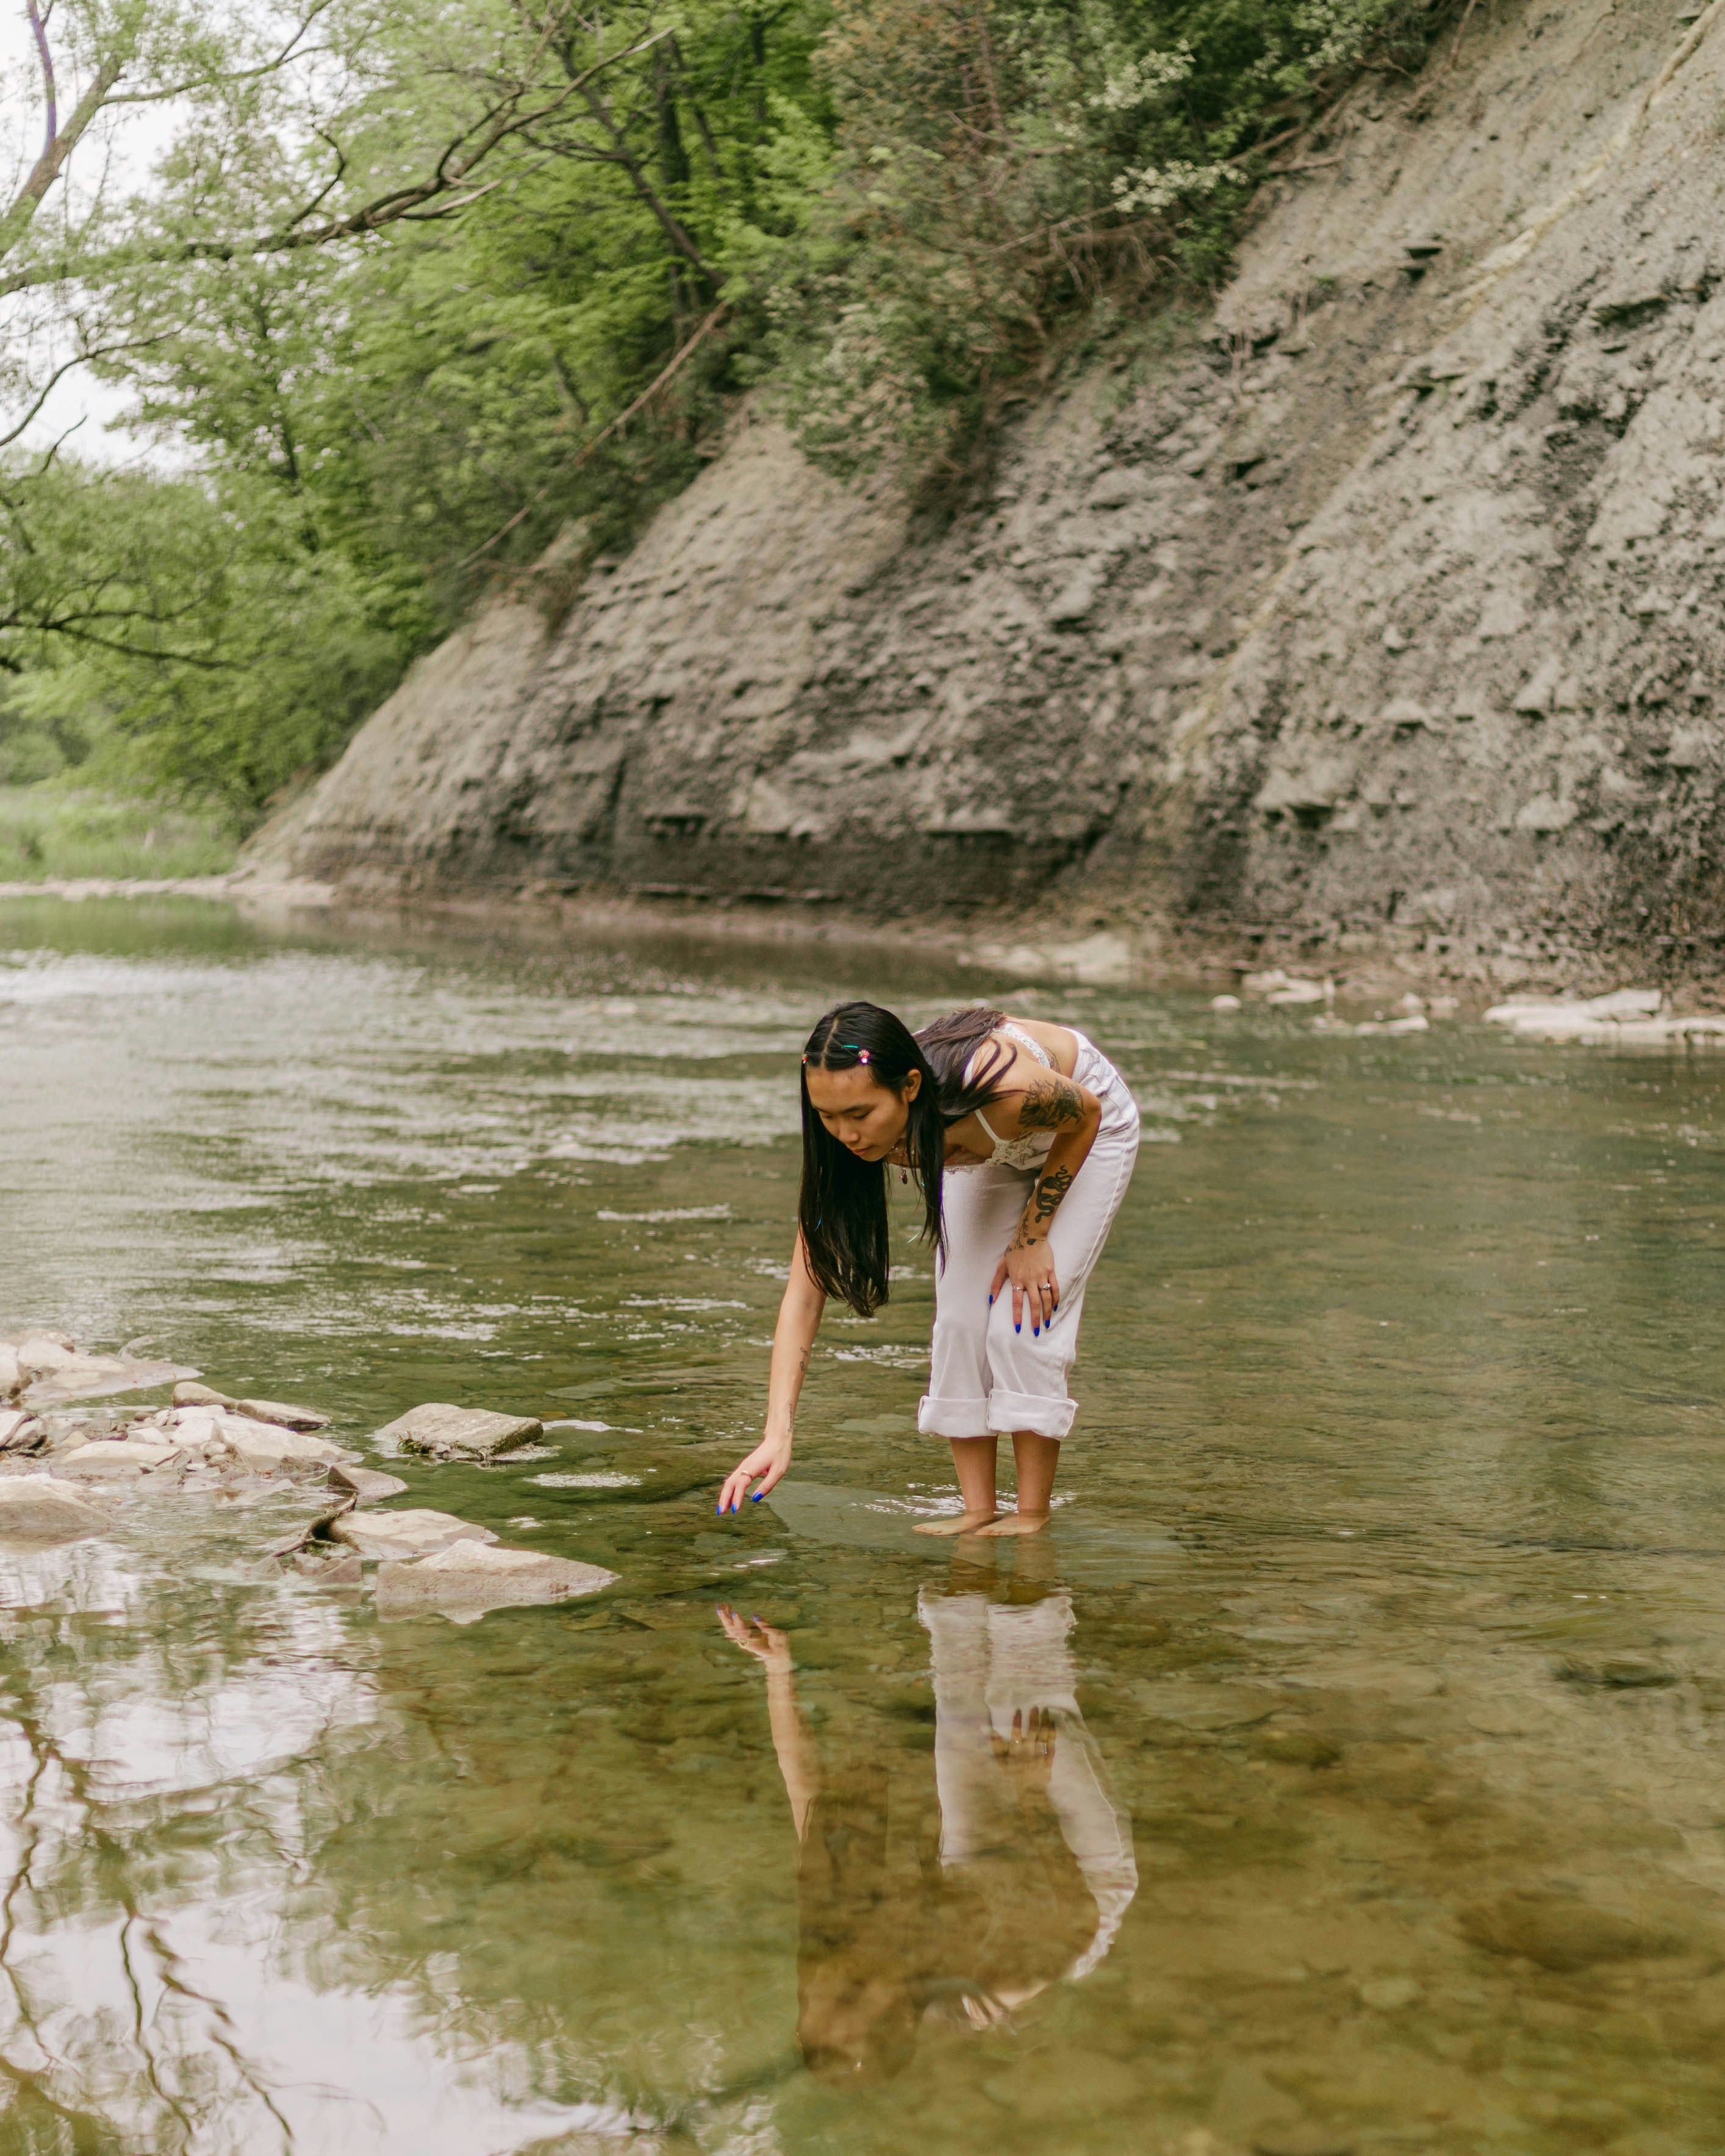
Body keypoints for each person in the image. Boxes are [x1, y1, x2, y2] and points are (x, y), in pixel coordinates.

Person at [717, 1000, 1140, 1533]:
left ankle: (1033, 1515)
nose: (845, 1135)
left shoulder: (1004, 1089)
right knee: (961, 1321)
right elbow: (803, 1292)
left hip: (1083, 1130)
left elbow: (1085, 1114)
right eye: (827, 1116)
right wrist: (777, 1433)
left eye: (860, 1115)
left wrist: (1032, 1235)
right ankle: (978, 1510)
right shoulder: (847, 1143)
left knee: (1021, 1317)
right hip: (978, 1148)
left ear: (910, 1086)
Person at [716, 1546, 1137, 2082]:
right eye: (856, 1998)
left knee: (955, 1651)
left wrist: (779, 1671)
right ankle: (1034, 1536)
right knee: (1025, 1689)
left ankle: (986, 1518)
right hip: (1073, 1888)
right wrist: (1030, 1795)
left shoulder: (832, 1939)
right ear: (900, 2011)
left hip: (972, 1873)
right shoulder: (980, 1996)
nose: (838, 1984)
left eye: (822, 2002)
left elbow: (809, 1798)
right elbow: (1070, 1923)